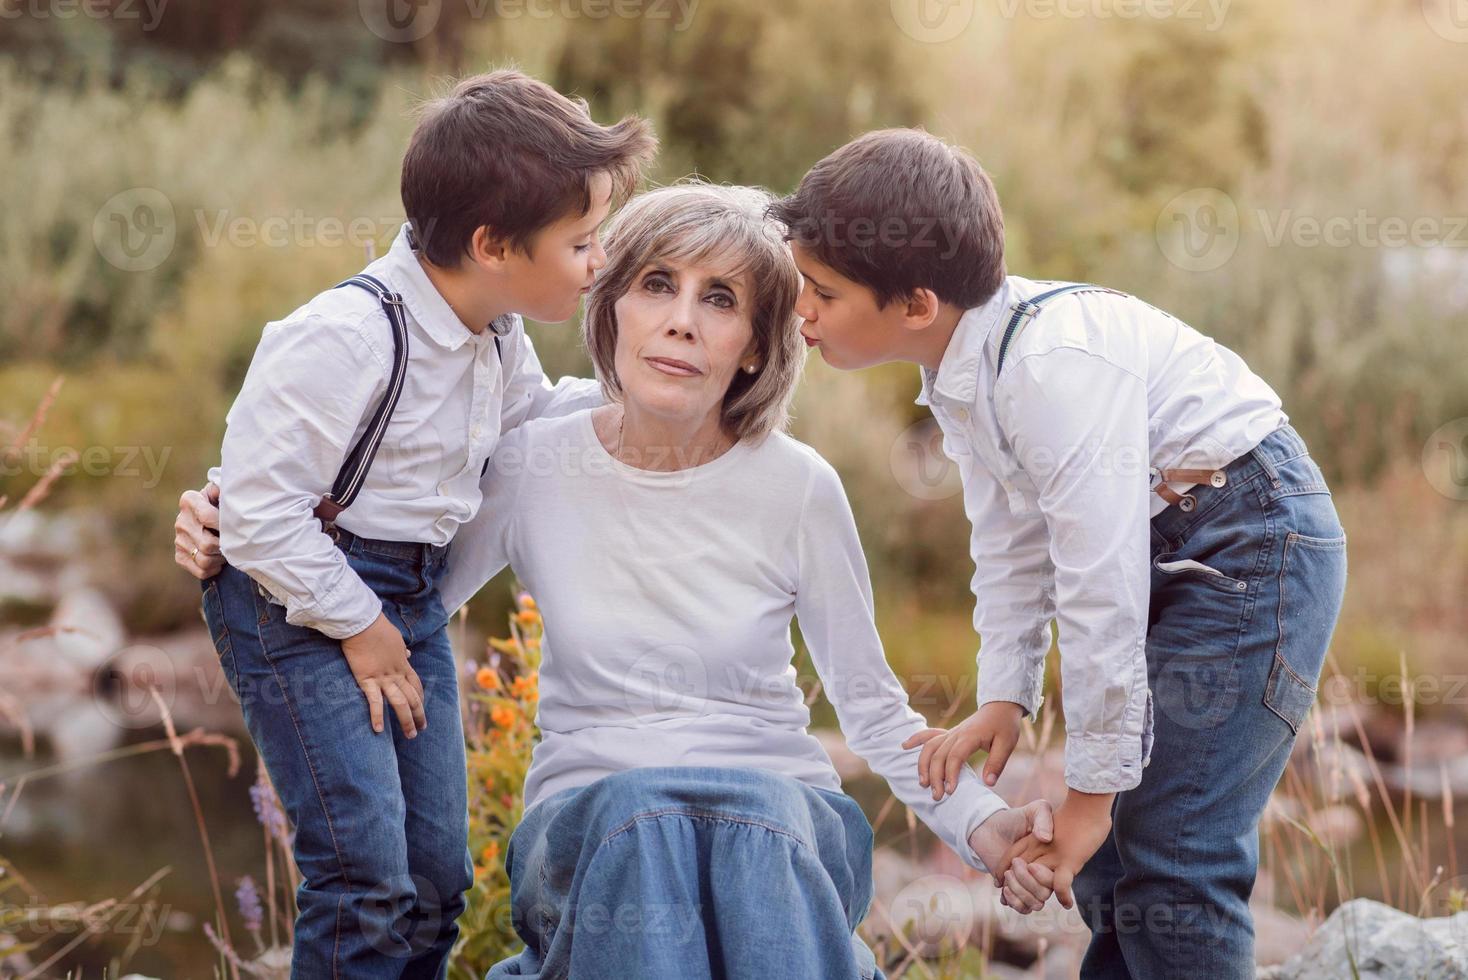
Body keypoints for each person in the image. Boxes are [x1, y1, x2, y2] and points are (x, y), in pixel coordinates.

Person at [769, 128, 1349, 977]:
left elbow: (1099, 587)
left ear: (916, 304)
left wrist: (1085, 797)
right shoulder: (966, 376)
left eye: (821, 292)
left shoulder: (1050, 369)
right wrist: (1005, 695)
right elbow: (1009, 544)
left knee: (1176, 855)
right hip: (1182, 546)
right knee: (1118, 863)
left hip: (1250, 541)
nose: (801, 311)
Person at [185, 70, 655, 977]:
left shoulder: (495, 330)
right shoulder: (350, 337)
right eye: (583, 242)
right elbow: (257, 513)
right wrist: (362, 630)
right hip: (298, 600)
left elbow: (532, 421)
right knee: (363, 878)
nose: (598, 263)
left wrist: (655, 407)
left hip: (406, 597)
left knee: (436, 881)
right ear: (492, 243)